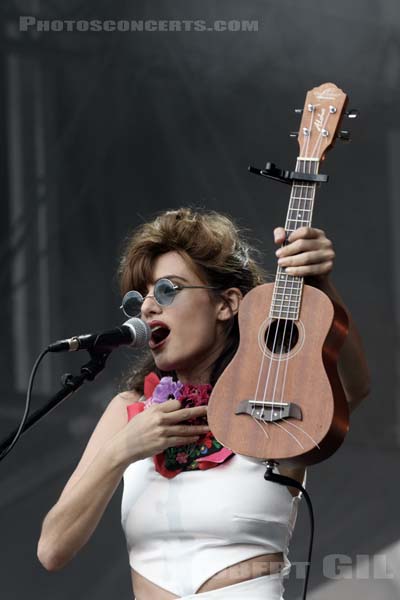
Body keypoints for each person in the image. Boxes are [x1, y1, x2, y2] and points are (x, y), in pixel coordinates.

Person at [37, 207, 370, 599]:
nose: (147, 307)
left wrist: (321, 286)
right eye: (139, 297)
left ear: (226, 304)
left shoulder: (274, 400)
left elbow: (354, 386)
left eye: (167, 290)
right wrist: (123, 450)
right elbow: (52, 550)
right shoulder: (129, 411)